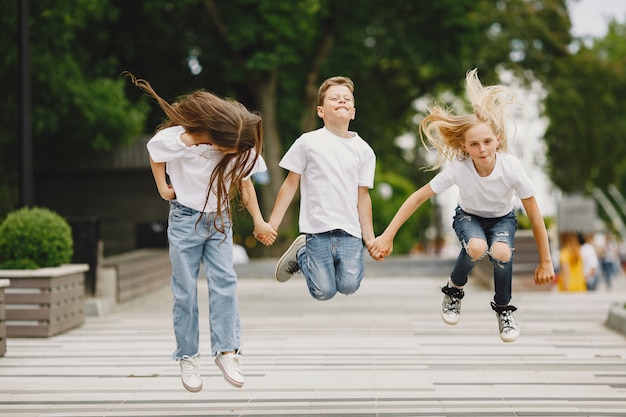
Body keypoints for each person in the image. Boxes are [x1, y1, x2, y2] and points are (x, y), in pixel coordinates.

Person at [370, 69, 554, 343]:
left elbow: (535, 215)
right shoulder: (458, 168)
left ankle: (504, 309)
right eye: (475, 144)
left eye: (488, 142)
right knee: (478, 247)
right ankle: (454, 290)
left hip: (503, 218)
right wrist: (388, 234)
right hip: (468, 217)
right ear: (465, 147)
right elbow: (418, 197)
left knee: (501, 252)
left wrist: (546, 261)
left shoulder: (511, 167)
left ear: (498, 141)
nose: (482, 149)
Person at [127, 73, 276, 393]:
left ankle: (227, 351)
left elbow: (246, 183)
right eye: (228, 145)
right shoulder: (180, 138)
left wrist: (260, 221)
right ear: (214, 131)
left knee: (225, 284)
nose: (231, 152)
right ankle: (187, 356)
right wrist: (163, 187)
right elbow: (155, 153)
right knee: (185, 290)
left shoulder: (238, 145)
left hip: (219, 221)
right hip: (184, 221)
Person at [267, 75, 378, 300]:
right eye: (335, 98)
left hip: (350, 231)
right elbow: (290, 184)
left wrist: (370, 238)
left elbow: (363, 196)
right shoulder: (308, 143)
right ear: (321, 111)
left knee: (348, 286)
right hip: (317, 228)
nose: (342, 101)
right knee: (323, 292)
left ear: (353, 112)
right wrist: (273, 224)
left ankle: (304, 256)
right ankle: (302, 254)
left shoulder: (364, 151)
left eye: (347, 99)